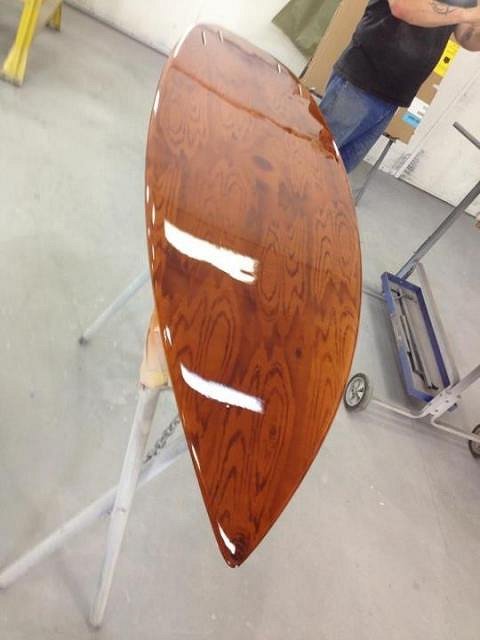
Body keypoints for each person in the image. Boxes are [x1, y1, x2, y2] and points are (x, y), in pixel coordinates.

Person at [319, 0, 480, 173]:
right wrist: (470, 14)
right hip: (362, 80)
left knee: (337, 173)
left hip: (394, 95)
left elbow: (466, 36)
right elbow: (402, 6)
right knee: (314, 156)